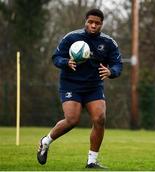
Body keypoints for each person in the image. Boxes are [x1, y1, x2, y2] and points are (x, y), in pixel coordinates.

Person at [37, 8, 123, 169]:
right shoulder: (71, 37)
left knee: (100, 118)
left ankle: (92, 161)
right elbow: (56, 57)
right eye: (90, 22)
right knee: (72, 120)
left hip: (93, 86)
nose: (93, 25)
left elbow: (118, 64)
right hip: (71, 84)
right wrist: (66, 62)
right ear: (85, 22)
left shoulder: (108, 42)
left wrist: (111, 71)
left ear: (101, 24)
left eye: (97, 23)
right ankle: (45, 142)